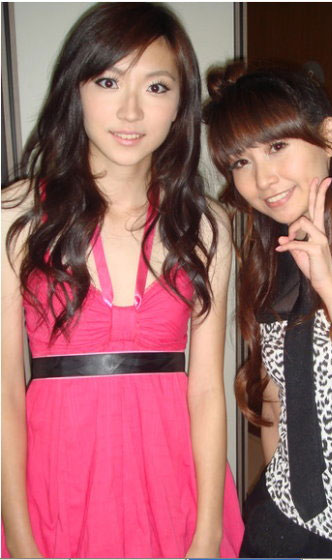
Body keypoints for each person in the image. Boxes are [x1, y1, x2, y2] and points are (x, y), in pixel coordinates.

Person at [1, 4, 244, 558]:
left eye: (156, 87)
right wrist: (20, 538)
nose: (131, 110)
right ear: (76, 89)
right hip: (56, 490)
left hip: (172, 491)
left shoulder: (207, 225)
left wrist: (207, 535)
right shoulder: (16, 215)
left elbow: (207, 391)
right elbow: (5, 393)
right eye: (108, 82)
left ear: (180, 104)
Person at [203, 62, 332, 558]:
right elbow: (277, 399)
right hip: (283, 517)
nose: (262, 179)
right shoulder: (270, 258)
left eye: (277, 146)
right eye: (240, 162)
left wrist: (330, 288)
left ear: (329, 138)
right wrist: (279, 503)